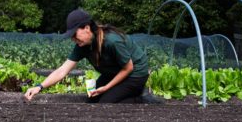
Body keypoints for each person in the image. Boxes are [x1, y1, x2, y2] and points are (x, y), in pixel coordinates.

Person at [25, 8, 156, 103]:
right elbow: (62, 70)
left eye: (75, 35)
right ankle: (126, 93)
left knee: (106, 103)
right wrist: (39, 87)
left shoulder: (111, 41)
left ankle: (141, 98)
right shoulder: (83, 46)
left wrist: (106, 88)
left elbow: (128, 68)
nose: (74, 40)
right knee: (92, 98)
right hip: (114, 73)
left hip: (136, 74)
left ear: (87, 28)